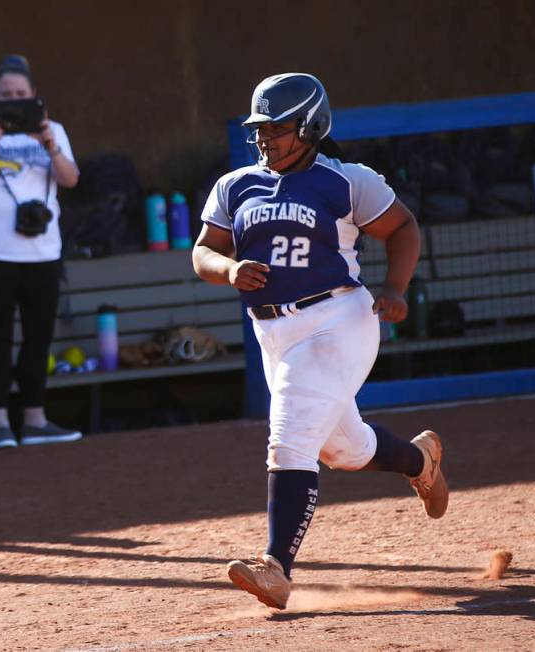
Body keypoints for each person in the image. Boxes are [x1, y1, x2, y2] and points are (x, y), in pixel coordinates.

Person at [192, 73, 449, 609]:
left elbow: (403, 229)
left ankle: (276, 567)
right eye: (260, 129)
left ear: (311, 125)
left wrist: (396, 288)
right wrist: (229, 267)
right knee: (342, 449)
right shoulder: (234, 184)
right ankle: (420, 462)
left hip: (337, 319)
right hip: (273, 332)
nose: (265, 138)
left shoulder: (347, 179)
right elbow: (202, 251)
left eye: (278, 128)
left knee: (288, 436)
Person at [0, 54, 82, 449]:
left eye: (21, 94)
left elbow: (71, 179)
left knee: (38, 336)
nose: (14, 100)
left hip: (42, 252)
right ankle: (0, 424)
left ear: (34, 96)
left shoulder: (52, 130)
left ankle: (35, 420)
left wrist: (51, 145)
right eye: (7, 94)